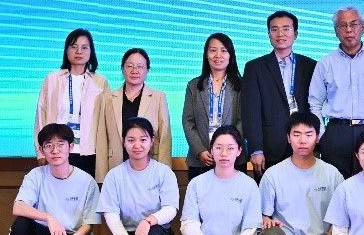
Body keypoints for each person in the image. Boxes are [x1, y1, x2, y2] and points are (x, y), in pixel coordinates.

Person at [7, 123, 101, 235]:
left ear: (71, 147)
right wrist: (49, 218)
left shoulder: (87, 181)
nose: (55, 150)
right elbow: (18, 207)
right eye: (49, 145)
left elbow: (89, 225)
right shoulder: (36, 175)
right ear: (42, 150)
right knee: (19, 226)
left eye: (60, 144)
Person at [257, 112, 343, 235]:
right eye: (296, 134)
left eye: (308, 134)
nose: (302, 140)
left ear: (317, 137)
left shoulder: (332, 174)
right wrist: (266, 220)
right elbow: (262, 214)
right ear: (288, 138)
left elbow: (341, 219)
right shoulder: (273, 174)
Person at [98, 118, 180, 235]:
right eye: (131, 140)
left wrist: (148, 221)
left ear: (152, 141)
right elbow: (110, 214)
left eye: (143, 140)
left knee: (155, 233)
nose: (137, 145)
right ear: (123, 142)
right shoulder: (114, 176)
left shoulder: (164, 173)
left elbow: (171, 209)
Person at [308, 7, 364, 178]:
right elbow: (315, 102)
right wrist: (323, 135)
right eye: (343, 25)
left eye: (354, 24)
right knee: (335, 186)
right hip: (336, 134)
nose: (349, 30)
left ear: (363, 28)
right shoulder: (325, 63)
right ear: (336, 31)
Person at [242, 11, 317, 175]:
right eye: (274, 29)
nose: (280, 34)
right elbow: (251, 112)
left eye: (286, 29)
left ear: (295, 34)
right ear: (268, 34)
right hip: (269, 149)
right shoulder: (255, 67)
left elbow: (316, 106)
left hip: (305, 145)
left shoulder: (311, 66)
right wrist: (256, 149)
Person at [35, 28, 109, 177]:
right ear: (66, 50)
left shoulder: (100, 82)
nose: (79, 51)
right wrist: (40, 152)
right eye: (74, 46)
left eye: (84, 47)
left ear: (91, 52)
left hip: (89, 151)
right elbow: (41, 116)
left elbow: (106, 121)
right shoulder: (52, 79)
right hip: (57, 150)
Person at [93, 48, 172, 183]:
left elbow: (165, 138)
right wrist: (101, 177)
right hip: (116, 167)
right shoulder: (107, 99)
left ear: (147, 70)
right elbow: (102, 139)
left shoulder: (158, 97)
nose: (135, 71)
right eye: (130, 66)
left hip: (149, 167)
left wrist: (165, 174)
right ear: (122, 69)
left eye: (140, 67)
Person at [182, 33, 245, 180]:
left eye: (223, 50)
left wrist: (229, 149)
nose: (218, 55)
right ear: (206, 54)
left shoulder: (241, 86)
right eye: (213, 50)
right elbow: (188, 121)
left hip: (233, 159)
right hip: (201, 159)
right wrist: (200, 151)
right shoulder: (193, 86)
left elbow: (243, 121)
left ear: (230, 55)